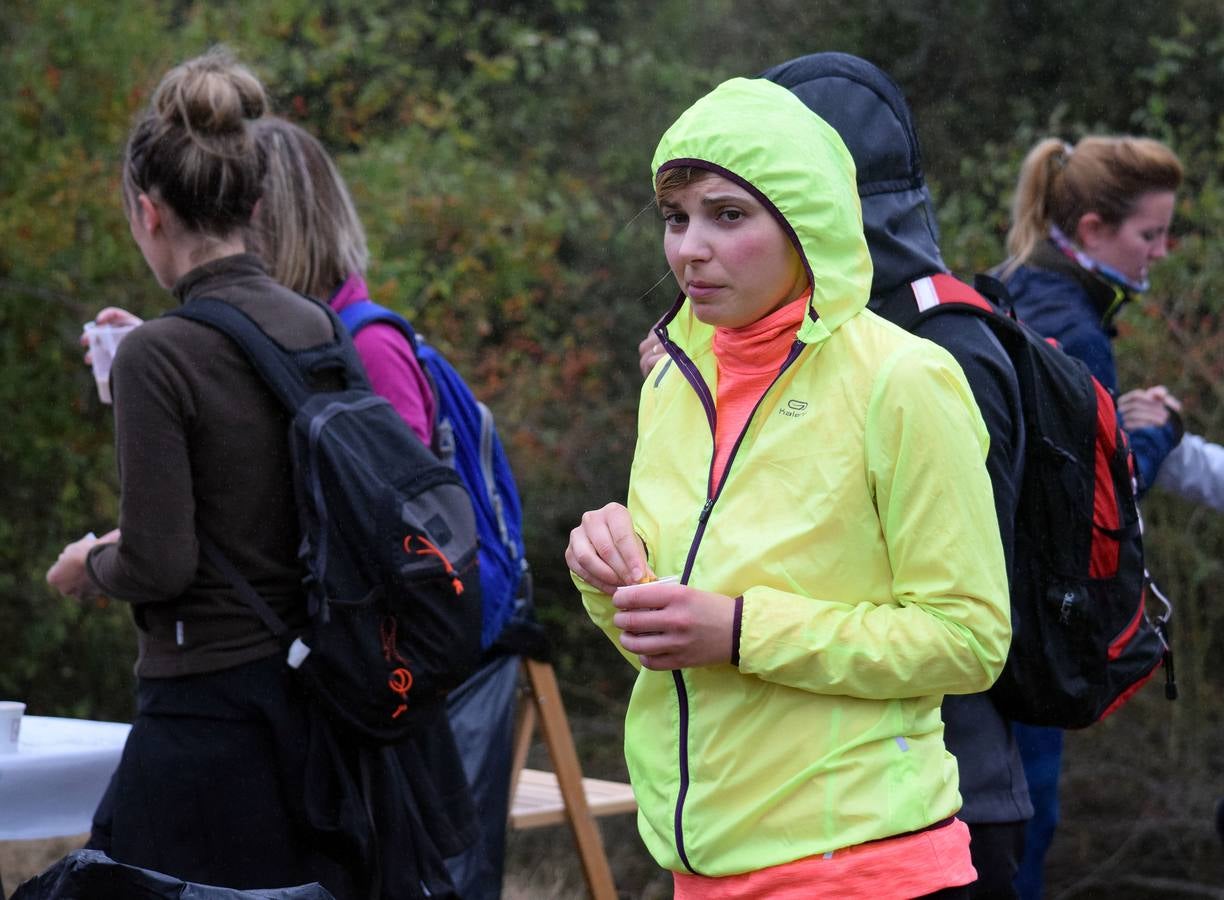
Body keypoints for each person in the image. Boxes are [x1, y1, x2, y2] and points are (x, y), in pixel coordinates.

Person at [568, 76, 1012, 898]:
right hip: (698, 866)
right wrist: (607, 574)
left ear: (808, 224)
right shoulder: (672, 380)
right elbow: (665, 636)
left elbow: (969, 638)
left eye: (728, 215)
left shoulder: (906, 379)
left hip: (866, 868)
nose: (688, 248)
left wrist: (739, 631)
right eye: (676, 217)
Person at [45, 49, 456, 899]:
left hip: (200, 713)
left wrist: (91, 566)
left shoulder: (160, 355)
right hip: (310, 709)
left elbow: (162, 562)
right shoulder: (313, 323)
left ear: (148, 212)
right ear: (255, 203)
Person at [997, 134, 1185, 899]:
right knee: (1025, 823)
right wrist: (1152, 433)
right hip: (1033, 626)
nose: (1163, 251)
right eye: (1150, 233)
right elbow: (1086, 504)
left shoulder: (1020, 287)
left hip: (994, 613)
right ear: (1094, 230)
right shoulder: (1072, 327)